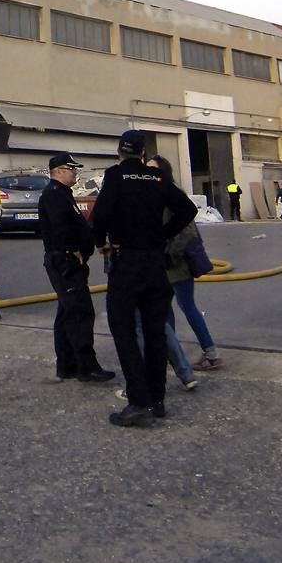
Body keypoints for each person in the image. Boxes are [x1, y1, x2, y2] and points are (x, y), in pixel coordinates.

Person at [92, 131, 198, 427]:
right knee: (155, 333)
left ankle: (138, 401)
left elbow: (99, 217)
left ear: (119, 152)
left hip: (127, 263)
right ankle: (157, 400)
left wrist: (101, 242)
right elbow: (188, 209)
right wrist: (162, 235)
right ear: (142, 153)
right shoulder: (156, 178)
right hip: (155, 264)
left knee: (124, 330)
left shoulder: (115, 176)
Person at [36, 152, 113, 383]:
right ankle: (86, 367)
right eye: (72, 169)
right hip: (65, 261)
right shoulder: (54, 195)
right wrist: (74, 250)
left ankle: (66, 365)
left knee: (66, 312)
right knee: (80, 313)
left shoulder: (62, 194)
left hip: (66, 260)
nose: (75, 173)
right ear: (59, 171)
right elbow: (61, 226)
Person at [153, 156, 221, 376]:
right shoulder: (156, 195)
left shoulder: (171, 195)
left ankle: (209, 353)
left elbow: (187, 231)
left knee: (185, 306)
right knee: (167, 309)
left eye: (152, 170)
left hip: (176, 263)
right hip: (165, 263)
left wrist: (168, 252)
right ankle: (173, 353)